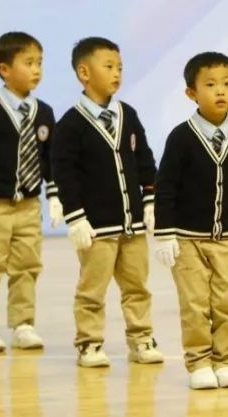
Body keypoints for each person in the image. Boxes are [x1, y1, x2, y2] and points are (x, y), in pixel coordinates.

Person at [153, 52, 228, 390]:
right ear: (191, 93)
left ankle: (226, 360)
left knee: (226, 303)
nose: (220, 91)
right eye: (209, 85)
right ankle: (199, 362)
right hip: (188, 239)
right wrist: (164, 234)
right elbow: (166, 187)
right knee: (194, 304)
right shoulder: (181, 137)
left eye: (226, 84)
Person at [51, 37, 163, 368]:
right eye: (109, 66)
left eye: (120, 67)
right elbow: (64, 175)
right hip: (96, 229)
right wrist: (75, 218)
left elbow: (145, 161)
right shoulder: (70, 125)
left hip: (133, 226)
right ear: (84, 73)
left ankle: (141, 339)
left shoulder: (128, 115)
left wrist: (151, 200)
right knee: (92, 290)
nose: (117, 73)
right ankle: (89, 343)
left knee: (137, 287)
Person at [0, 31, 60, 353]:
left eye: (39, 63)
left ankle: (23, 323)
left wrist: (55, 194)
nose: (36, 70)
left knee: (27, 266)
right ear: (4, 69)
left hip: (28, 205)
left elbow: (50, 158)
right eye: (28, 63)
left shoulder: (43, 112)